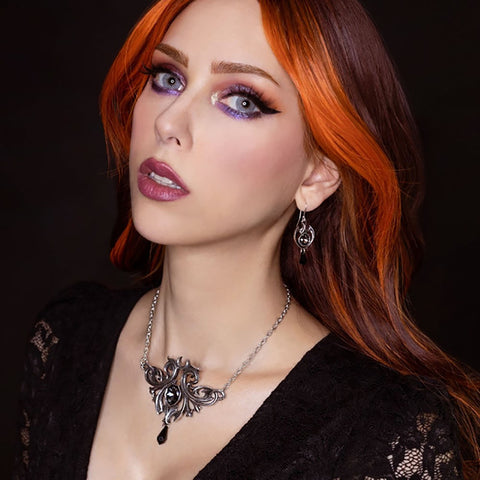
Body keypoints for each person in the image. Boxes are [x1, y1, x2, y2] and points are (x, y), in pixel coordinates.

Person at [14, 0, 480, 478]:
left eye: (241, 101)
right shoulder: (66, 339)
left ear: (317, 175)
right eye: (168, 78)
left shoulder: (384, 434)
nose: (168, 122)